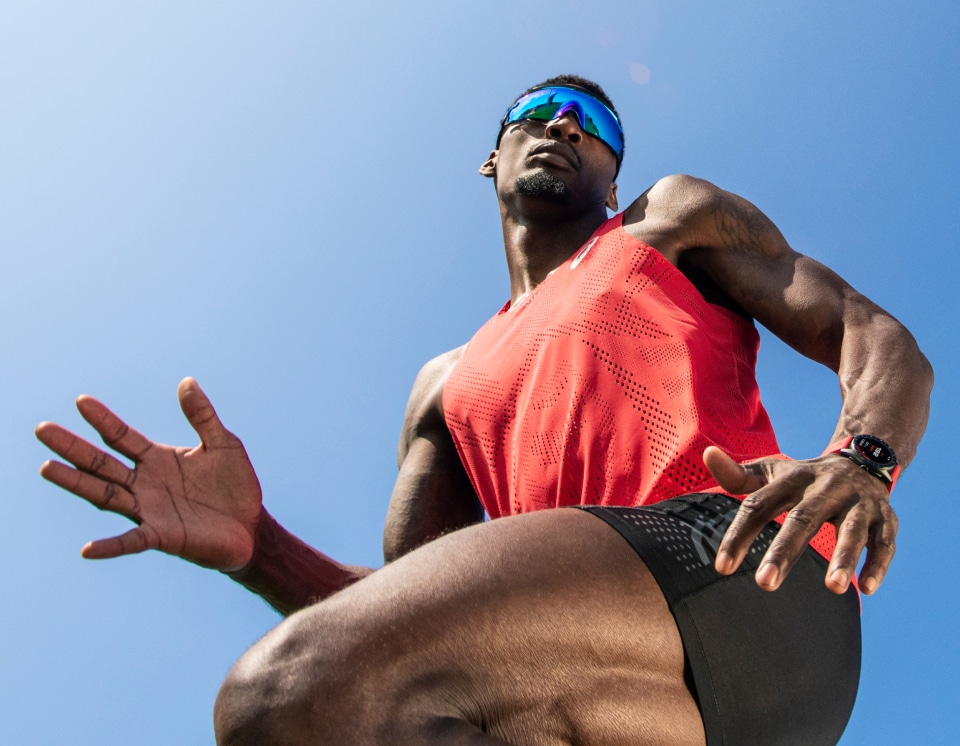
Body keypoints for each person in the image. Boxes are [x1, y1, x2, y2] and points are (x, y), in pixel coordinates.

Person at [37, 76, 932, 744]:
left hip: (754, 567)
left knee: (284, 689)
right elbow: (402, 622)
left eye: (596, 125)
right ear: (492, 155)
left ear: (616, 178)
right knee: (329, 710)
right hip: (619, 678)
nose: (565, 125)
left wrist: (861, 460)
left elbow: (872, 335)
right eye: (539, 109)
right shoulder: (445, 385)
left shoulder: (667, 221)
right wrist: (258, 545)